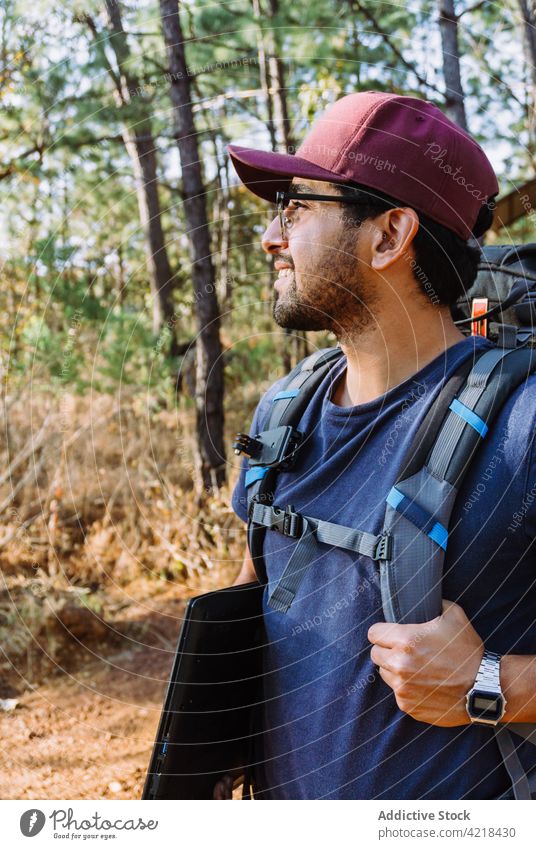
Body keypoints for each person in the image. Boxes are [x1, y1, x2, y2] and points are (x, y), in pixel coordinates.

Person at [216, 91, 536, 800]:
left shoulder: (522, 424)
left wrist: (494, 683)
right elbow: (256, 590)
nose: (272, 237)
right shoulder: (283, 411)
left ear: (389, 236)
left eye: (296, 208)